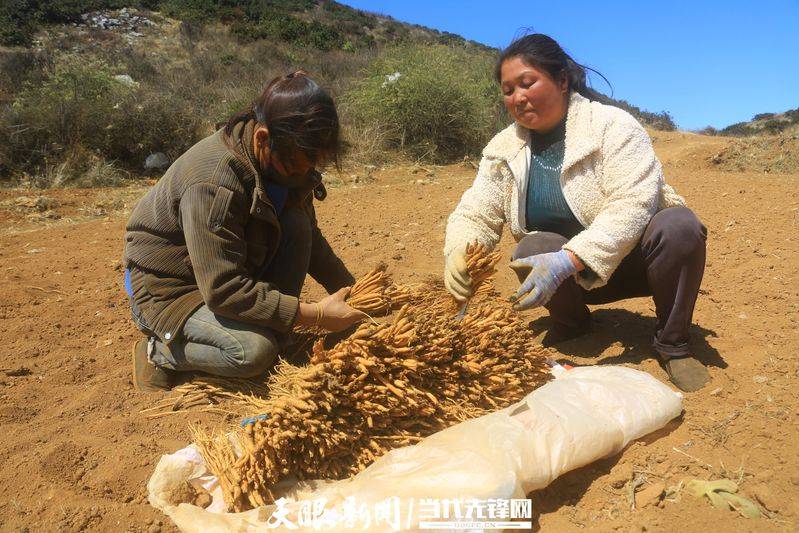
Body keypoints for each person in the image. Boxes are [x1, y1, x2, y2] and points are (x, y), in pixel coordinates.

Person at [443, 34, 710, 392]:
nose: (517, 97)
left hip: (640, 266)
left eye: (527, 83)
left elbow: (633, 203)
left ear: (562, 80)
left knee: (679, 225)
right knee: (532, 245)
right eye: (508, 90)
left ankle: (673, 344)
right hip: (565, 283)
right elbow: (477, 211)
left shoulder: (612, 126)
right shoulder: (503, 150)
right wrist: (459, 252)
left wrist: (570, 259)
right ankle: (572, 325)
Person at [123, 71, 365, 392]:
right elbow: (223, 289)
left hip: (229, 271)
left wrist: (356, 294)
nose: (303, 173)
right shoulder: (212, 182)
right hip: (172, 288)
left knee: (297, 225)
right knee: (254, 352)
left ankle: (273, 330)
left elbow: (312, 245)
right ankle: (160, 354)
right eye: (295, 165)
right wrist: (316, 315)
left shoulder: (284, 163)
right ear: (263, 138)